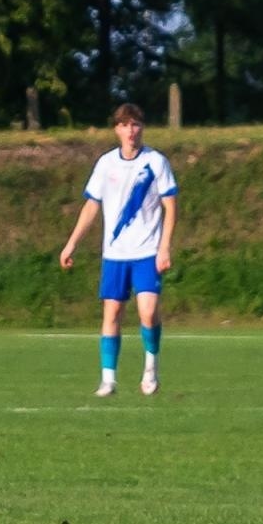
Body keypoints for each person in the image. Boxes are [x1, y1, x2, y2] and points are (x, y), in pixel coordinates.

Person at [59, 104, 179, 397]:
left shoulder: (156, 162)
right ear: (116, 129)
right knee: (112, 312)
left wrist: (164, 247)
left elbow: (170, 206)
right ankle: (108, 379)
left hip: (147, 251)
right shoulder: (106, 164)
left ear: (142, 128)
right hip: (114, 254)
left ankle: (151, 367)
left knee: (148, 313)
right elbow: (91, 206)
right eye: (125, 125)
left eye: (135, 124)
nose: (130, 131)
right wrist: (72, 243)